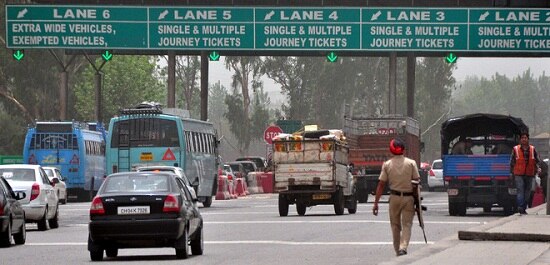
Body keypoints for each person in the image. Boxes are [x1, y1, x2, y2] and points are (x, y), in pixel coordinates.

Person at [372, 138, 420, 256]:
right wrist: (417, 201)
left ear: (391, 150)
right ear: (403, 150)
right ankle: (403, 247)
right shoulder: (411, 163)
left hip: (394, 198)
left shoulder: (387, 165)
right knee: (407, 224)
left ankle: (397, 250)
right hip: (408, 198)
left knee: (395, 225)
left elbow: (381, 184)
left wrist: (376, 203)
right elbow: (416, 182)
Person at [510, 132, 541, 214]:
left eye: (525, 138)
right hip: (518, 174)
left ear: (528, 139)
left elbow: (537, 161)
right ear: (520, 139)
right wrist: (511, 173)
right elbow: (512, 162)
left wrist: (538, 168)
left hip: (530, 174)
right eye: (522, 138)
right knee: (520, 190)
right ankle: (520, 207)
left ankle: (523, 207)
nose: (524, 139)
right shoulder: (515, 149)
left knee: (527, 192)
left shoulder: (532, 149)